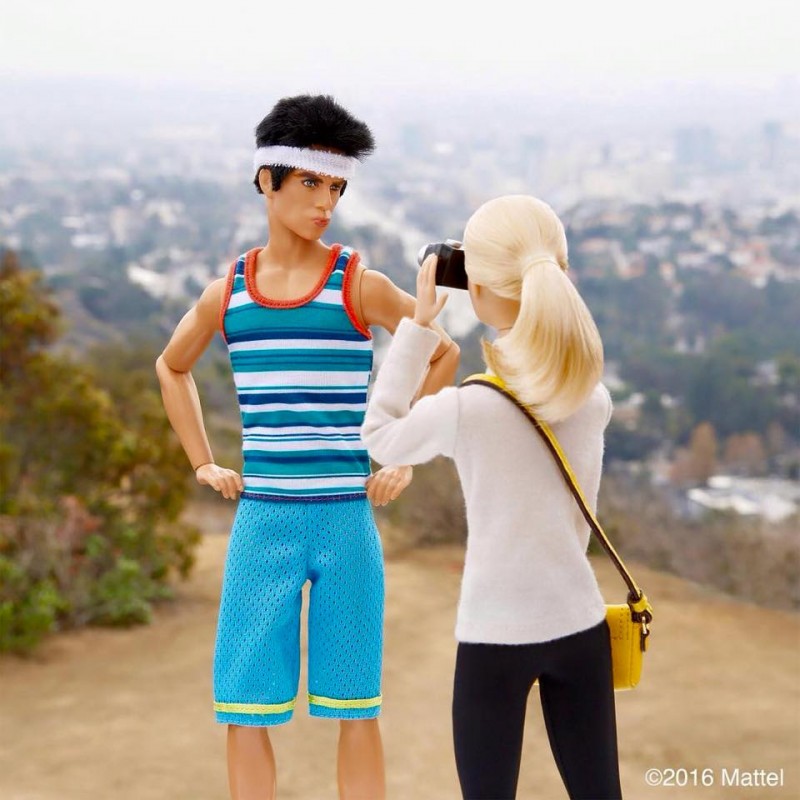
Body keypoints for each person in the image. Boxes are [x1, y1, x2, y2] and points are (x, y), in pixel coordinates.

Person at [155, 93, 459, 800]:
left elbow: (439, 355)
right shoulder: (227, 292)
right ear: (267, 180)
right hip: (261, 518)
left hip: (347, 519)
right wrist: (201, 458)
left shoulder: (357, 282)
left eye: (337, 187)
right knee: (245, 702)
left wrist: (399, 454)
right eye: (310, 183)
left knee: (357, 704)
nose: (327, 202)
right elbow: (171, 367)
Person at [361, 194, 623, 799]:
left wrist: (420, 325)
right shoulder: (593, 401)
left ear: (474, 290)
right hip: (580, 626)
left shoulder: (469, 409)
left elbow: (380, 438)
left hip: (494, 636)